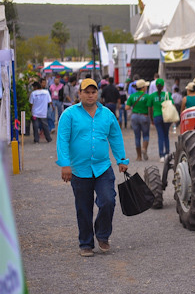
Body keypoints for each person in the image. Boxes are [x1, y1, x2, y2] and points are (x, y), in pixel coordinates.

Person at [56, 78, 129, 257]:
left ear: (98, 94)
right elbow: (62, 139)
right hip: (79, 169)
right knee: (83, 208)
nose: (90, 95)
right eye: (86, 92)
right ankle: (86, 243)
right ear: (79, 94)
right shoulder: (69, 114)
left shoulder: (107, 114)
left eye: (93, 92)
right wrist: (65, 164)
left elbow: (115, 136)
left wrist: (121, 159)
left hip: (103, 167)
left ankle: (102, 235)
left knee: (108, 201)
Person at [148, 78, 173, 162]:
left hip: (156, 116)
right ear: (163, 86)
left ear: (156, 86)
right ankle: (167, 153)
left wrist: (151, 119)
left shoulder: (152, 96)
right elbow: (172, 105)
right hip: (166, 117)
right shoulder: (167, 95)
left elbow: (150, 108)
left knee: (160, 136)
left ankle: (161, 155)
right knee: (166, 135)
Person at [126, 79, 150, 161]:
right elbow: (149, 107)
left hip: (134, 117)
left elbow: (127, 107)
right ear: (142, 88)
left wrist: (134, 108)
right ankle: (144, 148)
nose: (146, 87)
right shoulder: (147, 96)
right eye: (145, 86)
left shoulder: (132, 96)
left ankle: (139, 156)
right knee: (146, 135)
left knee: (137, 136)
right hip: (144, 116)